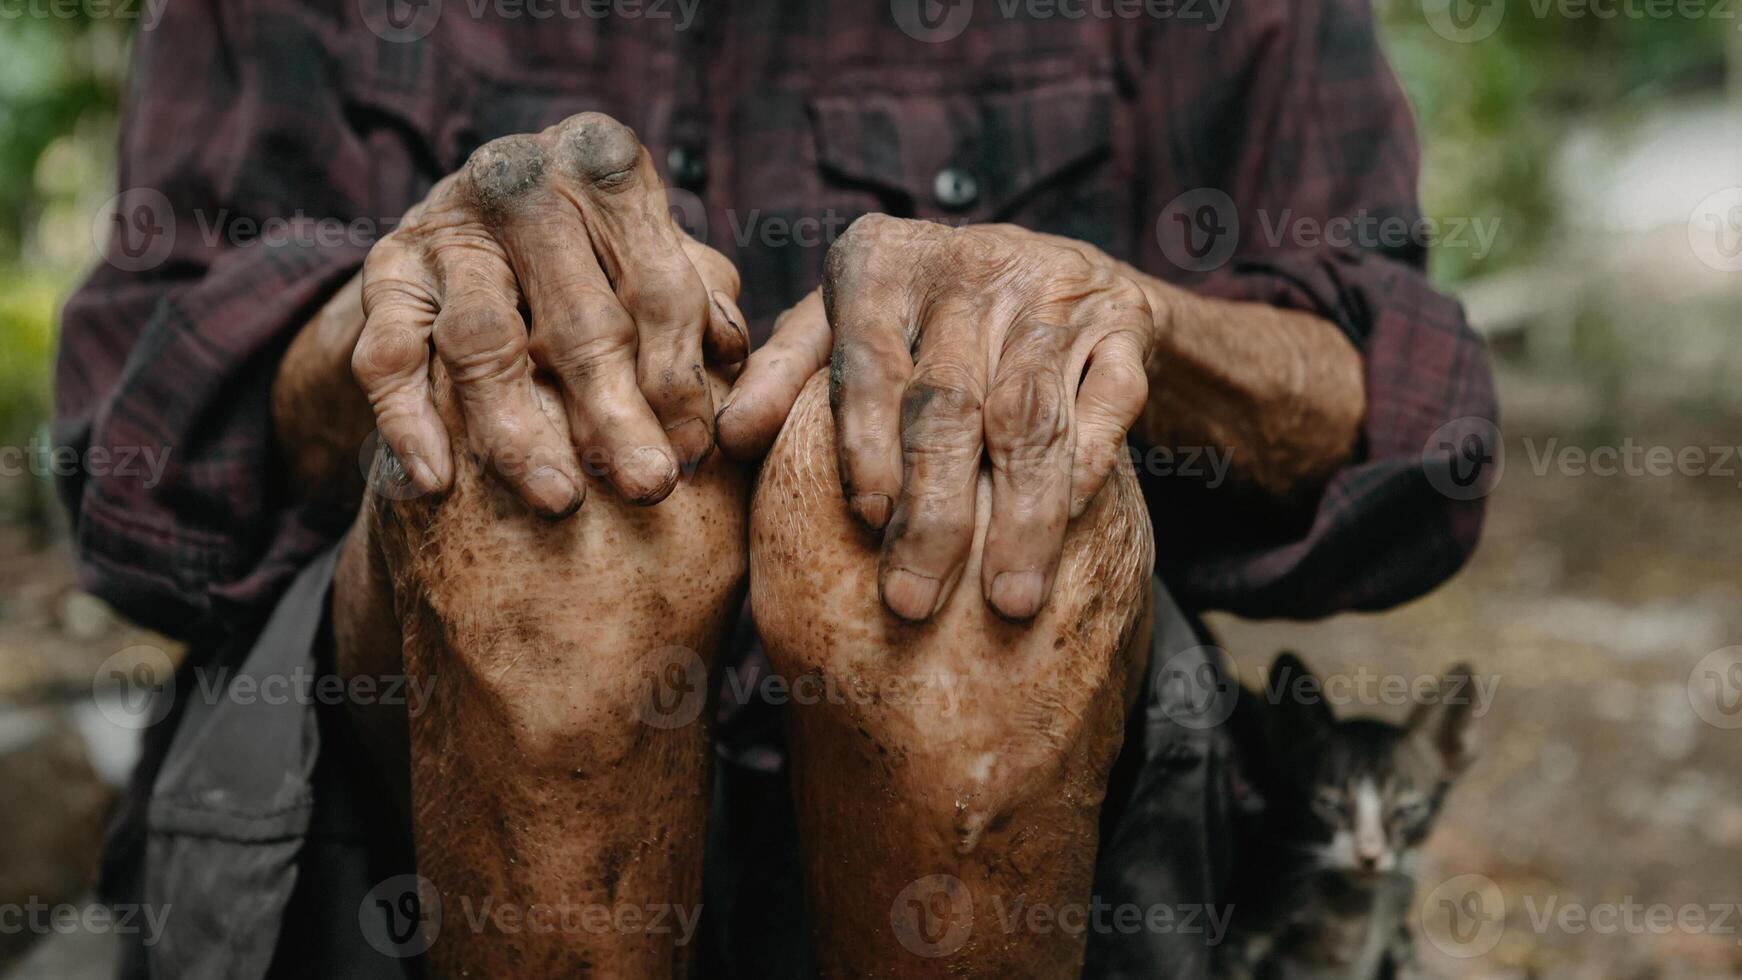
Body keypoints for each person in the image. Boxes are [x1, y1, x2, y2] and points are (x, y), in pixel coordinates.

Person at [55, 1, 1496, 977]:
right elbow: (133, 494)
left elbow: (1409, 440)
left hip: (1054, 777)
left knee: (932, 510)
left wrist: (1129, 323)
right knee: (560, 492)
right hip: (399, 787)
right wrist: (393, 324)